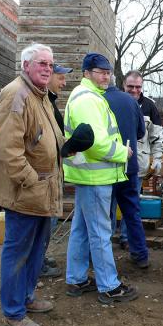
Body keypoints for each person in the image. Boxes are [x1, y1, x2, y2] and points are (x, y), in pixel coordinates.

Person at [0, 43, 66, 326]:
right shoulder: (16, 94)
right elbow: (6, 148)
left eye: (50, 64)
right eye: (42, 63)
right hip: (25, 191)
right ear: (26, 65)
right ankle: (13, 312)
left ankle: (27, 297)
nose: (48, 68)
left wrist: (68, 147)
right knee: (18, 252)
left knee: (36, 250)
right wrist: (30, 180)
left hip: (43, 190)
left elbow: (47, 138)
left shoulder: (40, 95)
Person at [63, 52, 139, 304]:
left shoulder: (88, 96)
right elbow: (95, 142)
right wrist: (122, 153)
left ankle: (76, 279)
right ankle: (109, 286)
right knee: (100, 232)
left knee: (82, 229)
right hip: (96, 177)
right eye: (100, 72)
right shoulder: (88, 99)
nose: (106, 76)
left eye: (108, 72)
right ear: (86, 73)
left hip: (89, 175)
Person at [104, 77, 148, 268]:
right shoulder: (131, 102)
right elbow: (141, 132)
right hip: (128, 167)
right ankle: (140, 255)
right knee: (132, 212)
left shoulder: (98, 100)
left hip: (104, 169)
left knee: (104, 215)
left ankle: (101, 257)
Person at [39, 63, 73, 279]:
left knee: (48, 219)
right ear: (49, 77)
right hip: (45, 173)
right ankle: (37, 262)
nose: (64, 83)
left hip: (53, 169)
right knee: (45, 219)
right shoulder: (44, 103)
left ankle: (40, 258)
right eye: (60, 78)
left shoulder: (50, 101)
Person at [123, 71, 163, 193]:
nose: (134, 90)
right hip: (115, 166)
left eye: (138, 87)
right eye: (130, 86)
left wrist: (157, 158)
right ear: (123, 85)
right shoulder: (116, 103)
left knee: (133, 201)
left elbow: (156, 137)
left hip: (138, 166)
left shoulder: (149, 106)